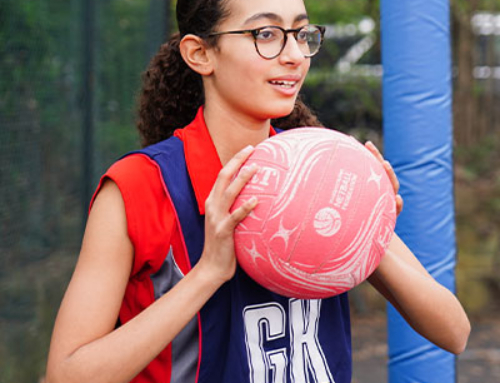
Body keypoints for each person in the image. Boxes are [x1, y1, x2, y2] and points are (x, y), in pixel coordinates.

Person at [45, 0, 471, 382]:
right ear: (200, 53)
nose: (293, 56)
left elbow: (454, 332)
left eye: (301, 34)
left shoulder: (323, 170)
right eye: (265, 34)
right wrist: (208, 274)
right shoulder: (138, 187)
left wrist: (366, 233)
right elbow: (67, 374)